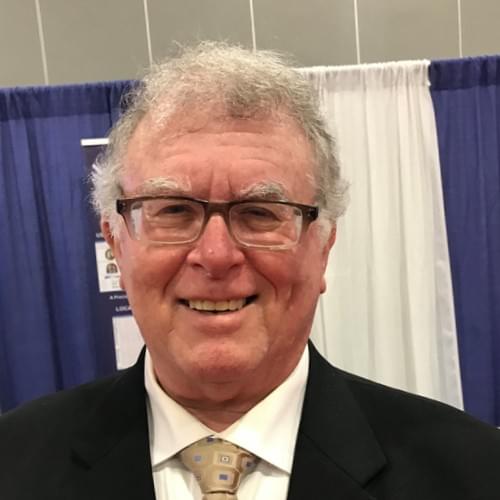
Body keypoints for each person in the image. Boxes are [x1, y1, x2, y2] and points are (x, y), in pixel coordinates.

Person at [1, 42, 499, 500]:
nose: (216, 255)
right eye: (173, 210)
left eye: (260, 212)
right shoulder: (13, 465)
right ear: (116, 242)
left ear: (323, 248)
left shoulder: (475, 474)